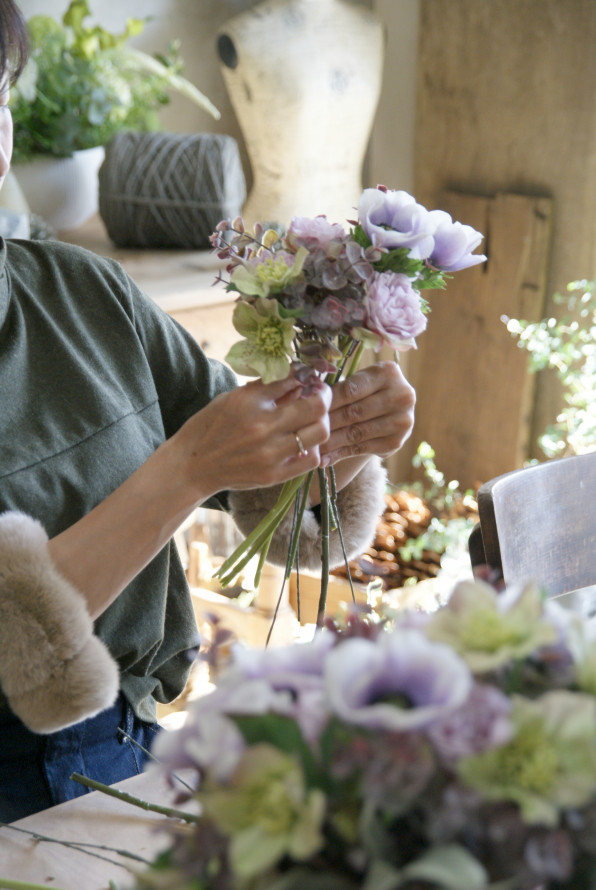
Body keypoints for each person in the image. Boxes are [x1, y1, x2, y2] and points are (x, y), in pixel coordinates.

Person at [0, 0, 416, 822]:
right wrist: (185, 469)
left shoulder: (79, 290)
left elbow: (280, 507)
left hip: (133, 750)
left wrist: (342, 440)